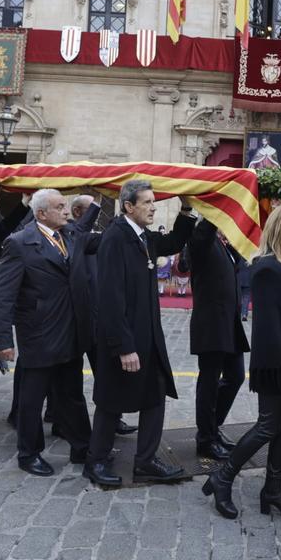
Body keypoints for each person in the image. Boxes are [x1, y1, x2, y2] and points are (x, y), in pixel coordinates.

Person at [202, 205, 281, 521]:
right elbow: (267, 326)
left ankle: (273, 490)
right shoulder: (266, 268)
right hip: (278, 364)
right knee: (268, 426)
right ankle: (222, 478)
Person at [84, 180, 195, 487]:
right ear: (129, 206)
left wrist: (186, 209)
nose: (153, 207)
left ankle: (145, 461)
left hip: (147, 337)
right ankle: (95, 461)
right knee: (111, 401)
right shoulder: (115, 238)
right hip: (123, 339)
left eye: (153, 202)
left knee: (154, 395)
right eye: (146, 202)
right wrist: (123, 346)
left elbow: (172, 243)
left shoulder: (143, 236)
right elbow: (110, 297)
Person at [0, 190, 98, 475]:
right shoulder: (19, 243)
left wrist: (98, 201)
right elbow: (2, 296)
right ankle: (29, 453)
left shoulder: (69, 235)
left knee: (72, 394)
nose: (66, 211)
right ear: (41, 214)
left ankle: (82, 446)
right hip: (38, 334)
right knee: (32, 398)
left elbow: (89, 232)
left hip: (71, 332)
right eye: (60, 207)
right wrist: (2, 340)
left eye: (65, 206)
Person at [187, 218, 249, 461]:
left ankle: (213, 426)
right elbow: (204, 231)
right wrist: (215, 207)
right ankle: (205, 439)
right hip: (211, 326)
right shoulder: (200, 242)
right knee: (209, 383)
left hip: (229, 324)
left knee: (235, 377)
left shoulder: (222, 244)